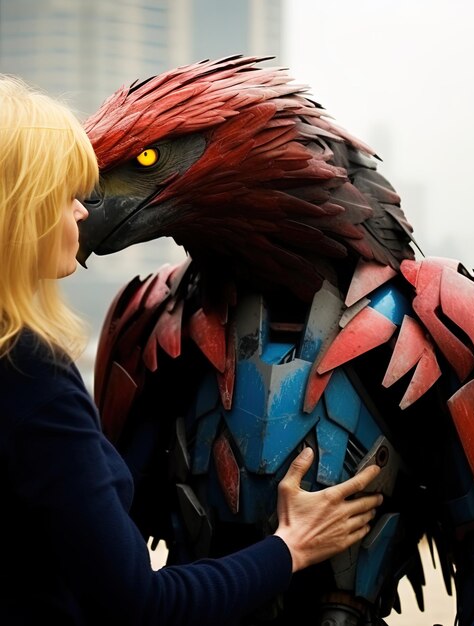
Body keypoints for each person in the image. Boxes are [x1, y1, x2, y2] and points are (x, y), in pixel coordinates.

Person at [0, 74, 382, 625]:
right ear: (19, 213)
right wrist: (291, 546)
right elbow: (142, 604)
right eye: (65, 194)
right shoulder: (31, 376)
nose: (84, 211)